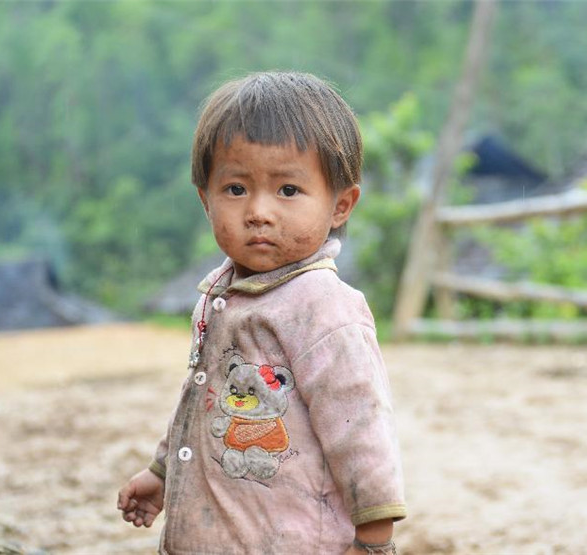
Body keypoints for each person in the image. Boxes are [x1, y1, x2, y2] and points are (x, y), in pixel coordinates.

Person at [117, 71, 406, 555]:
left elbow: (361, 425)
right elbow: (203, 397)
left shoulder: (322, 306)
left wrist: (374, 537)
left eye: (288, 190)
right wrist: (163, 472)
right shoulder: (220, 292)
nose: (258, 211)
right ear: (204, 199)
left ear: (340, 205)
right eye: (234, 189)